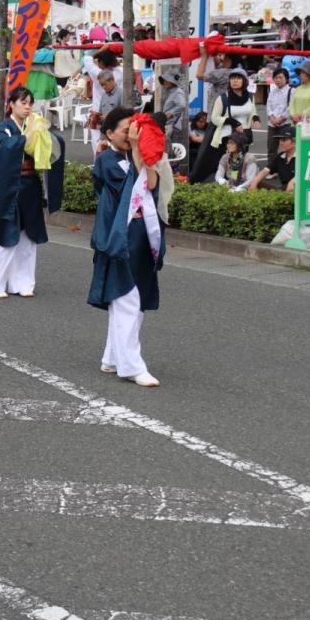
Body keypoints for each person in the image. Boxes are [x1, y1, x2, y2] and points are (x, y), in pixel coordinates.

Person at [89, 108, 165, 388]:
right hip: (120, 237)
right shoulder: (106, 160)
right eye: (126, 130)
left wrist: (143, 151)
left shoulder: (134, 155)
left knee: (133, 300)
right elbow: (129, 188)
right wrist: (136, 149)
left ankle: (112, 357)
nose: (131, 134)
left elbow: (152, 185)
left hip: (141, 233)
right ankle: (131, 366)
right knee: (127, 299)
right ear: (109, 134)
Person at [0, 86, 64, 299]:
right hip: (11, 188)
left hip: (30, 186)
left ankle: (23, 283)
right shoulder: (6, 128)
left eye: (30, 103)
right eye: (23, 103)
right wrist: (27, 137)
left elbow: (51, 147)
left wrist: (41, 136)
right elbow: (2, 149)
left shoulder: (32, 125)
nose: (27, 107)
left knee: (29, 237)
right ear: (12, 105)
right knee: (8, 237)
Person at [190, 68, 256, 184]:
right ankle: (226, 184)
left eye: (238, 78)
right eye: (232, 78)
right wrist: (231, 121)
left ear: (244, 81)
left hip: (243, 136)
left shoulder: (250, 96)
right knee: (228, 162)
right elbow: (215, 118)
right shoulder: (223, 98)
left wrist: (255, 118)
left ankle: (237, 184)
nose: (235, 81)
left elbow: (252, 111)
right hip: (227, 137)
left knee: (240, 163)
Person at [248, 127, 297, 191]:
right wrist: (254, 182)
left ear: (294, 142)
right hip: (283, 191)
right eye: (280, 140)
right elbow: (265, 171)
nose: (281, 143)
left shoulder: (302, 156)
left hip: (298, 192)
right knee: (257, 183)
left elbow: (303, 176)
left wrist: (293, 182)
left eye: (284, 140)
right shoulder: (280, 156)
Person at [265, 67, 294, 160]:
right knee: (271, 148)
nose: (278, 80)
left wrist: (281, 119)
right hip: (272, 124)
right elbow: (268, 106)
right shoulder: (272, 91)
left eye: (280, 77)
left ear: (287, 79)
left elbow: (291, 107)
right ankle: (271, 169)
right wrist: (272, 118)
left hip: (285, 124)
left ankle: (285, 167)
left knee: (286, 147)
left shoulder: (292, 91)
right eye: (276, 78)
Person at [289, 63, 310, 133]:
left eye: (303, 73)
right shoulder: (298, 88)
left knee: (308, 143)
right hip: (295, 122)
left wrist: (300, 115)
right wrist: (292, 115)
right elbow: (292, 104)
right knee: (295, 142)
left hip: (308, 122)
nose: (300, 75)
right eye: (300, 73)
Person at [159, 70, 187, 145]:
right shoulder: (172, 92)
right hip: (170, 125)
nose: (164, 82)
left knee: (171, 150)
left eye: (166, 80)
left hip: (173, 126)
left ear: (171, 82)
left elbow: (182, 105)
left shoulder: (177, 92)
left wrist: (170, 114)